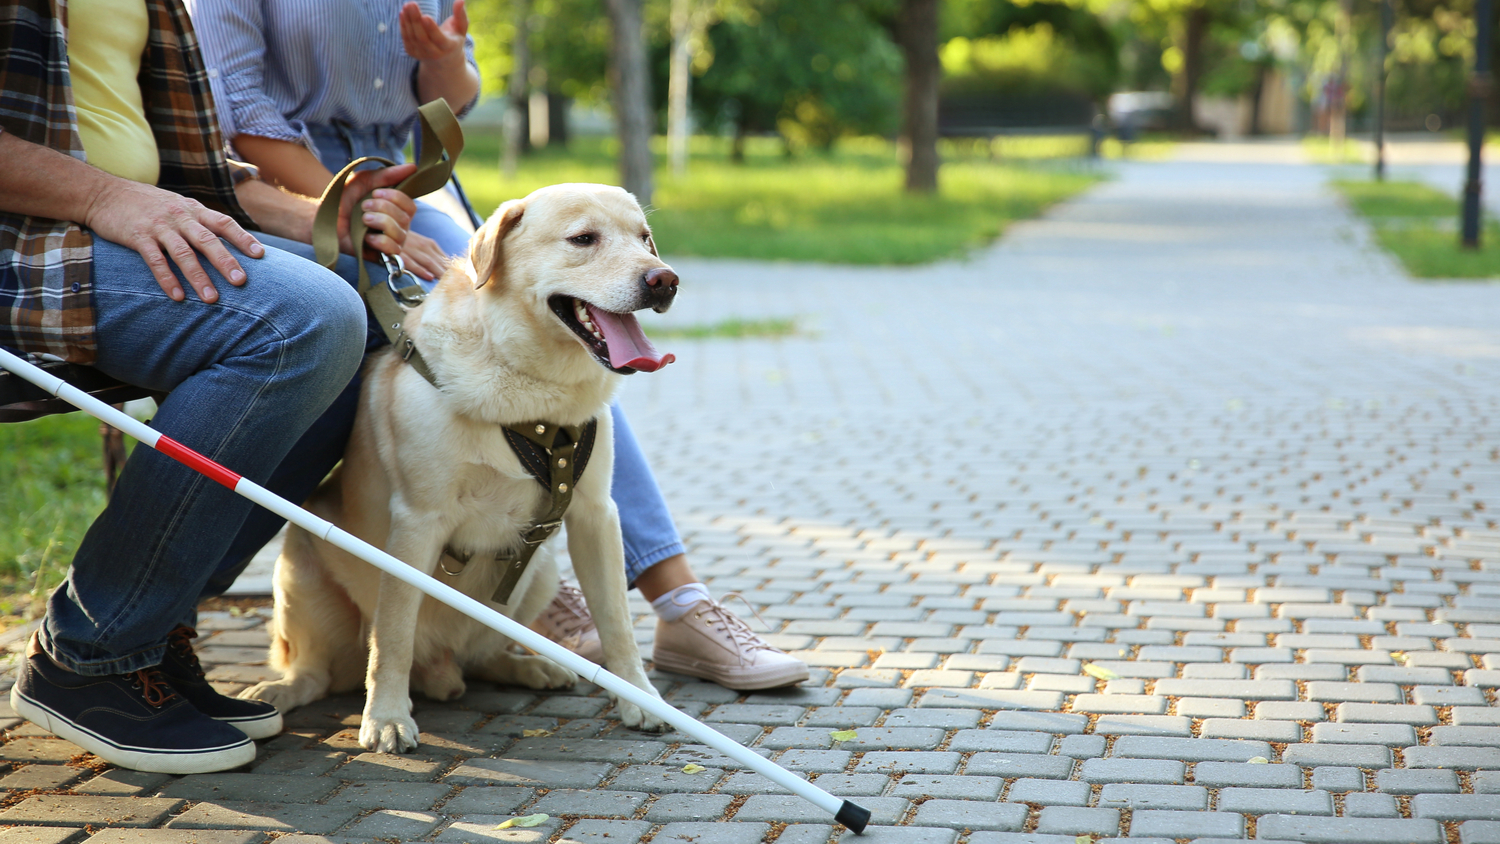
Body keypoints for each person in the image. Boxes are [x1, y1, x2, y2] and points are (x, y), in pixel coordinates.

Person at [188, 0, 809, 691]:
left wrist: (444, 57)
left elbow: (449, 99)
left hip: (405, 184)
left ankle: (673, 597)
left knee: (550, 336)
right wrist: (343, 207)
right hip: (267, 193)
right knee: (334, 328)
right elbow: (234, 106)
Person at [0, 0, 430, 772]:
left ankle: (154, 624)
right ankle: (93, 647)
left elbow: (181, 164)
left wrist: (326, 217)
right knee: (299, 322)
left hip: (122, 224)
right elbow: (120, 184)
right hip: (24, 241)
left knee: (363, 308)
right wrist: (106, 196)